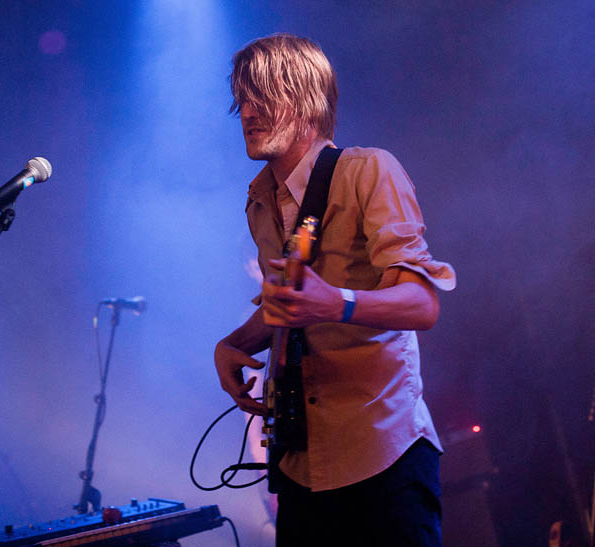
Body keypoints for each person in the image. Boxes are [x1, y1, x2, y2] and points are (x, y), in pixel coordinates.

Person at [214, 33, 456, 546]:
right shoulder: (260, 200)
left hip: (382, 455)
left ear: (305, 101)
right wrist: (234, 344)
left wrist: (338, 303)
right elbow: (286, 306)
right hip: (303, 466)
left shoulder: (368, 171)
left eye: (263, 96)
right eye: (243, 100)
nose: (248, 113)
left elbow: (423, 303)